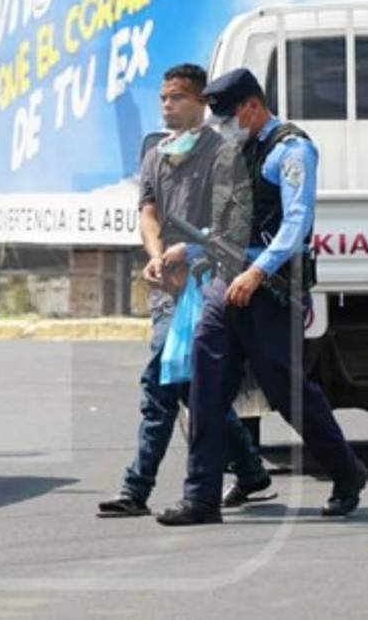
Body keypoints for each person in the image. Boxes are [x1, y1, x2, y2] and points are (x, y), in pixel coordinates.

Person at [158, 68, 367, 526]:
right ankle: (201, 499)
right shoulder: (236, 151)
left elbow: (296, 225)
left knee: (285, 390)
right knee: (206, 387)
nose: (225, 128)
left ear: (252, 106)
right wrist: (189, 248)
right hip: (225, 282)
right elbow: (230, 225)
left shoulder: (291, 150)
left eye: (230, 117)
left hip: (272, 287)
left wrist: (256, 271)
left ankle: (346, 472)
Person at [98, 64, 268, 519]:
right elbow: (148, 211)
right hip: (166, 290)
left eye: (177, 98)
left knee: (159, 384)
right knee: (195, 388)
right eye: (163, 98)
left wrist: (187, 251)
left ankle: (136, 489)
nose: (168, 106)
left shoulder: (222, 152)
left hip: (205, 287)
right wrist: (155, 253)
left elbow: (233, 225)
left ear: (200, 103)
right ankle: (250, 470)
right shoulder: (156, 153)